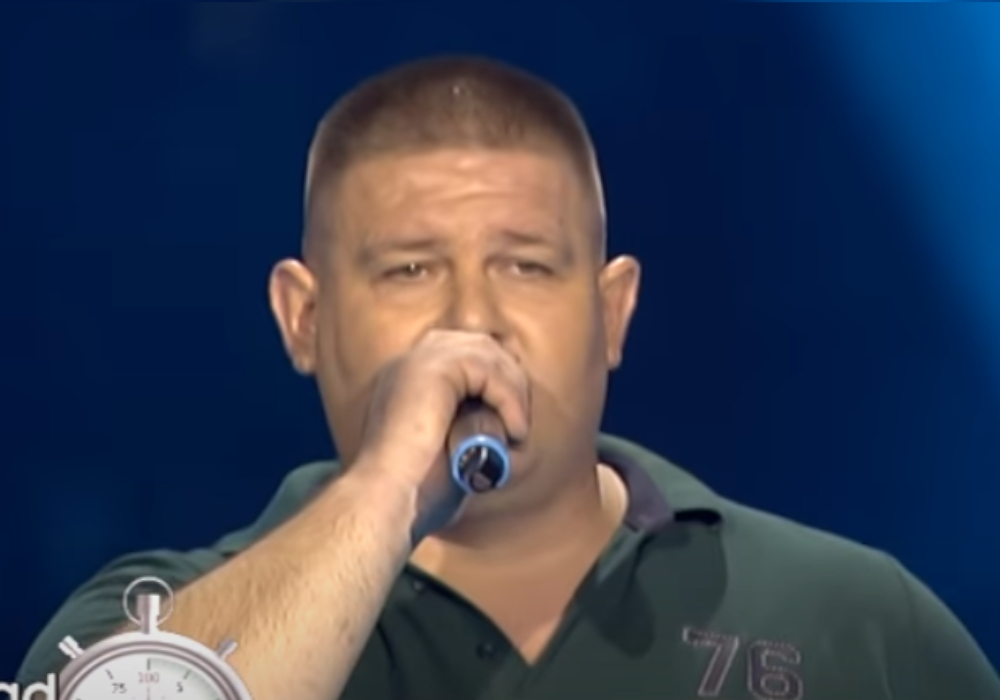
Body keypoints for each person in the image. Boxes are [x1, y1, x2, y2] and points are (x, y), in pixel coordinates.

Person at [18, 55, 1000, 700]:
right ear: (303, 319)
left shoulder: (858, 621)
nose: (472, 319)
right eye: (409, 269)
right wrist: (387, 491)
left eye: (526, 266)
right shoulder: (152, 616)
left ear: (612, 313)